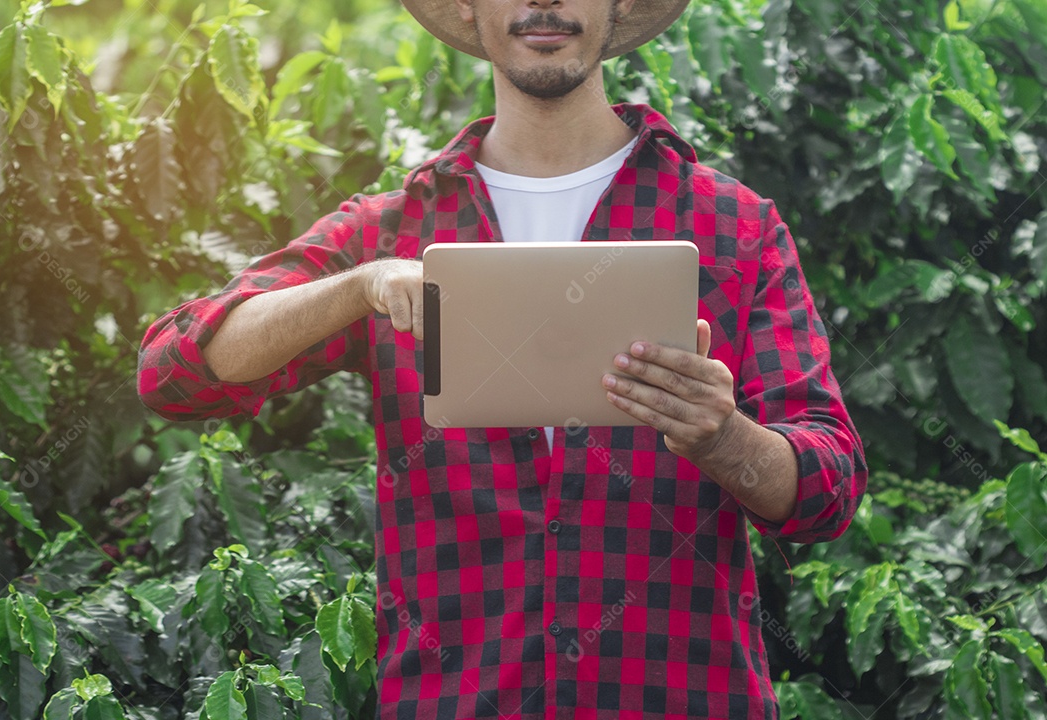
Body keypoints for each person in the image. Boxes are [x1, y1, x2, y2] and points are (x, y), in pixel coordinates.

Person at [138, 0, 868, 716]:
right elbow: (176, 374)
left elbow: (827, 492)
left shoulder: (732, 225)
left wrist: (722, 434)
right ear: (465, 7)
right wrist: (359, 287)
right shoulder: (394, 230)